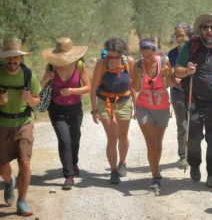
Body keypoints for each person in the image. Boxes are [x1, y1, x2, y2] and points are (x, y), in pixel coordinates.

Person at [175, 13, 212, 188]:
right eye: (205, 27)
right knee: (194, 138)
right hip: (194, 99)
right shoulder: (191, 46)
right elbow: (177, 71)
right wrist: (187, 71)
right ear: (199, 29)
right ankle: (194, 165)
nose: (209, 31)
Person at [41, 37, 91, 190]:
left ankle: (74, 162)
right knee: (64, 140)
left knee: (75, 137)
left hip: (75, 107)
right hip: (56, 108)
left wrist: (72, 91)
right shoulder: (50, 67)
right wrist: (46, 79)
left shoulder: (79, 64)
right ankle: (68, 175)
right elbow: (40, 87)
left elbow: (88, 87)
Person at [0, 38, 41, 216]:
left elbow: (37, 100)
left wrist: (30, 100)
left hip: (24, 123)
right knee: (2, 165)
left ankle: (22, 201)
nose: (12, 62)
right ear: (3, 59)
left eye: (15, 58)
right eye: (8, 58)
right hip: (2, 124)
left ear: (20, 58)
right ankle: (9, 182)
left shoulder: (28, 75)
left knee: (25, 163)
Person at [90, 38, 135, 184]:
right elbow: (93, 88)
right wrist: (94, 110)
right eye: (109, 56)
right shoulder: (101, 64)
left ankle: (123, 162)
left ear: (122, 54)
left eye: (115, 56)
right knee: (112, 137)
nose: (112, 59)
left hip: (124, 102)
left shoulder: (129, 62)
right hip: (105, 103)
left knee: (123, 136)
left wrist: (137, 106)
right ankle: (114, 171)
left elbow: (133, 85)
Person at [133, 38, 174, 192]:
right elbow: (136, 88)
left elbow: (170, 84)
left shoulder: (164, 62)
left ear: (154, 52)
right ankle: (155, 176)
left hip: (162, 106)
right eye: (143, 56)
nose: (146, 59)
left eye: (149, 56)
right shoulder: (137, 65)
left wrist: (167, 74)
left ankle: (156, 170)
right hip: (143, 106)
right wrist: (138, 76)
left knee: (157, 142)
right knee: (150, 142)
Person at [168, 23, 193, 169]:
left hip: (194, 92)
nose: (179, 38)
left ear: (188, 36)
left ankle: (193, 154)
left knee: (194, 125)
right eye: (176, 36)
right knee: (182, 125)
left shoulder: (195, 51)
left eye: (181, 35)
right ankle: (183, 156)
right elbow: (170, 74)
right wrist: (174, 78)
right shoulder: (172, 53)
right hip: (177, 92)